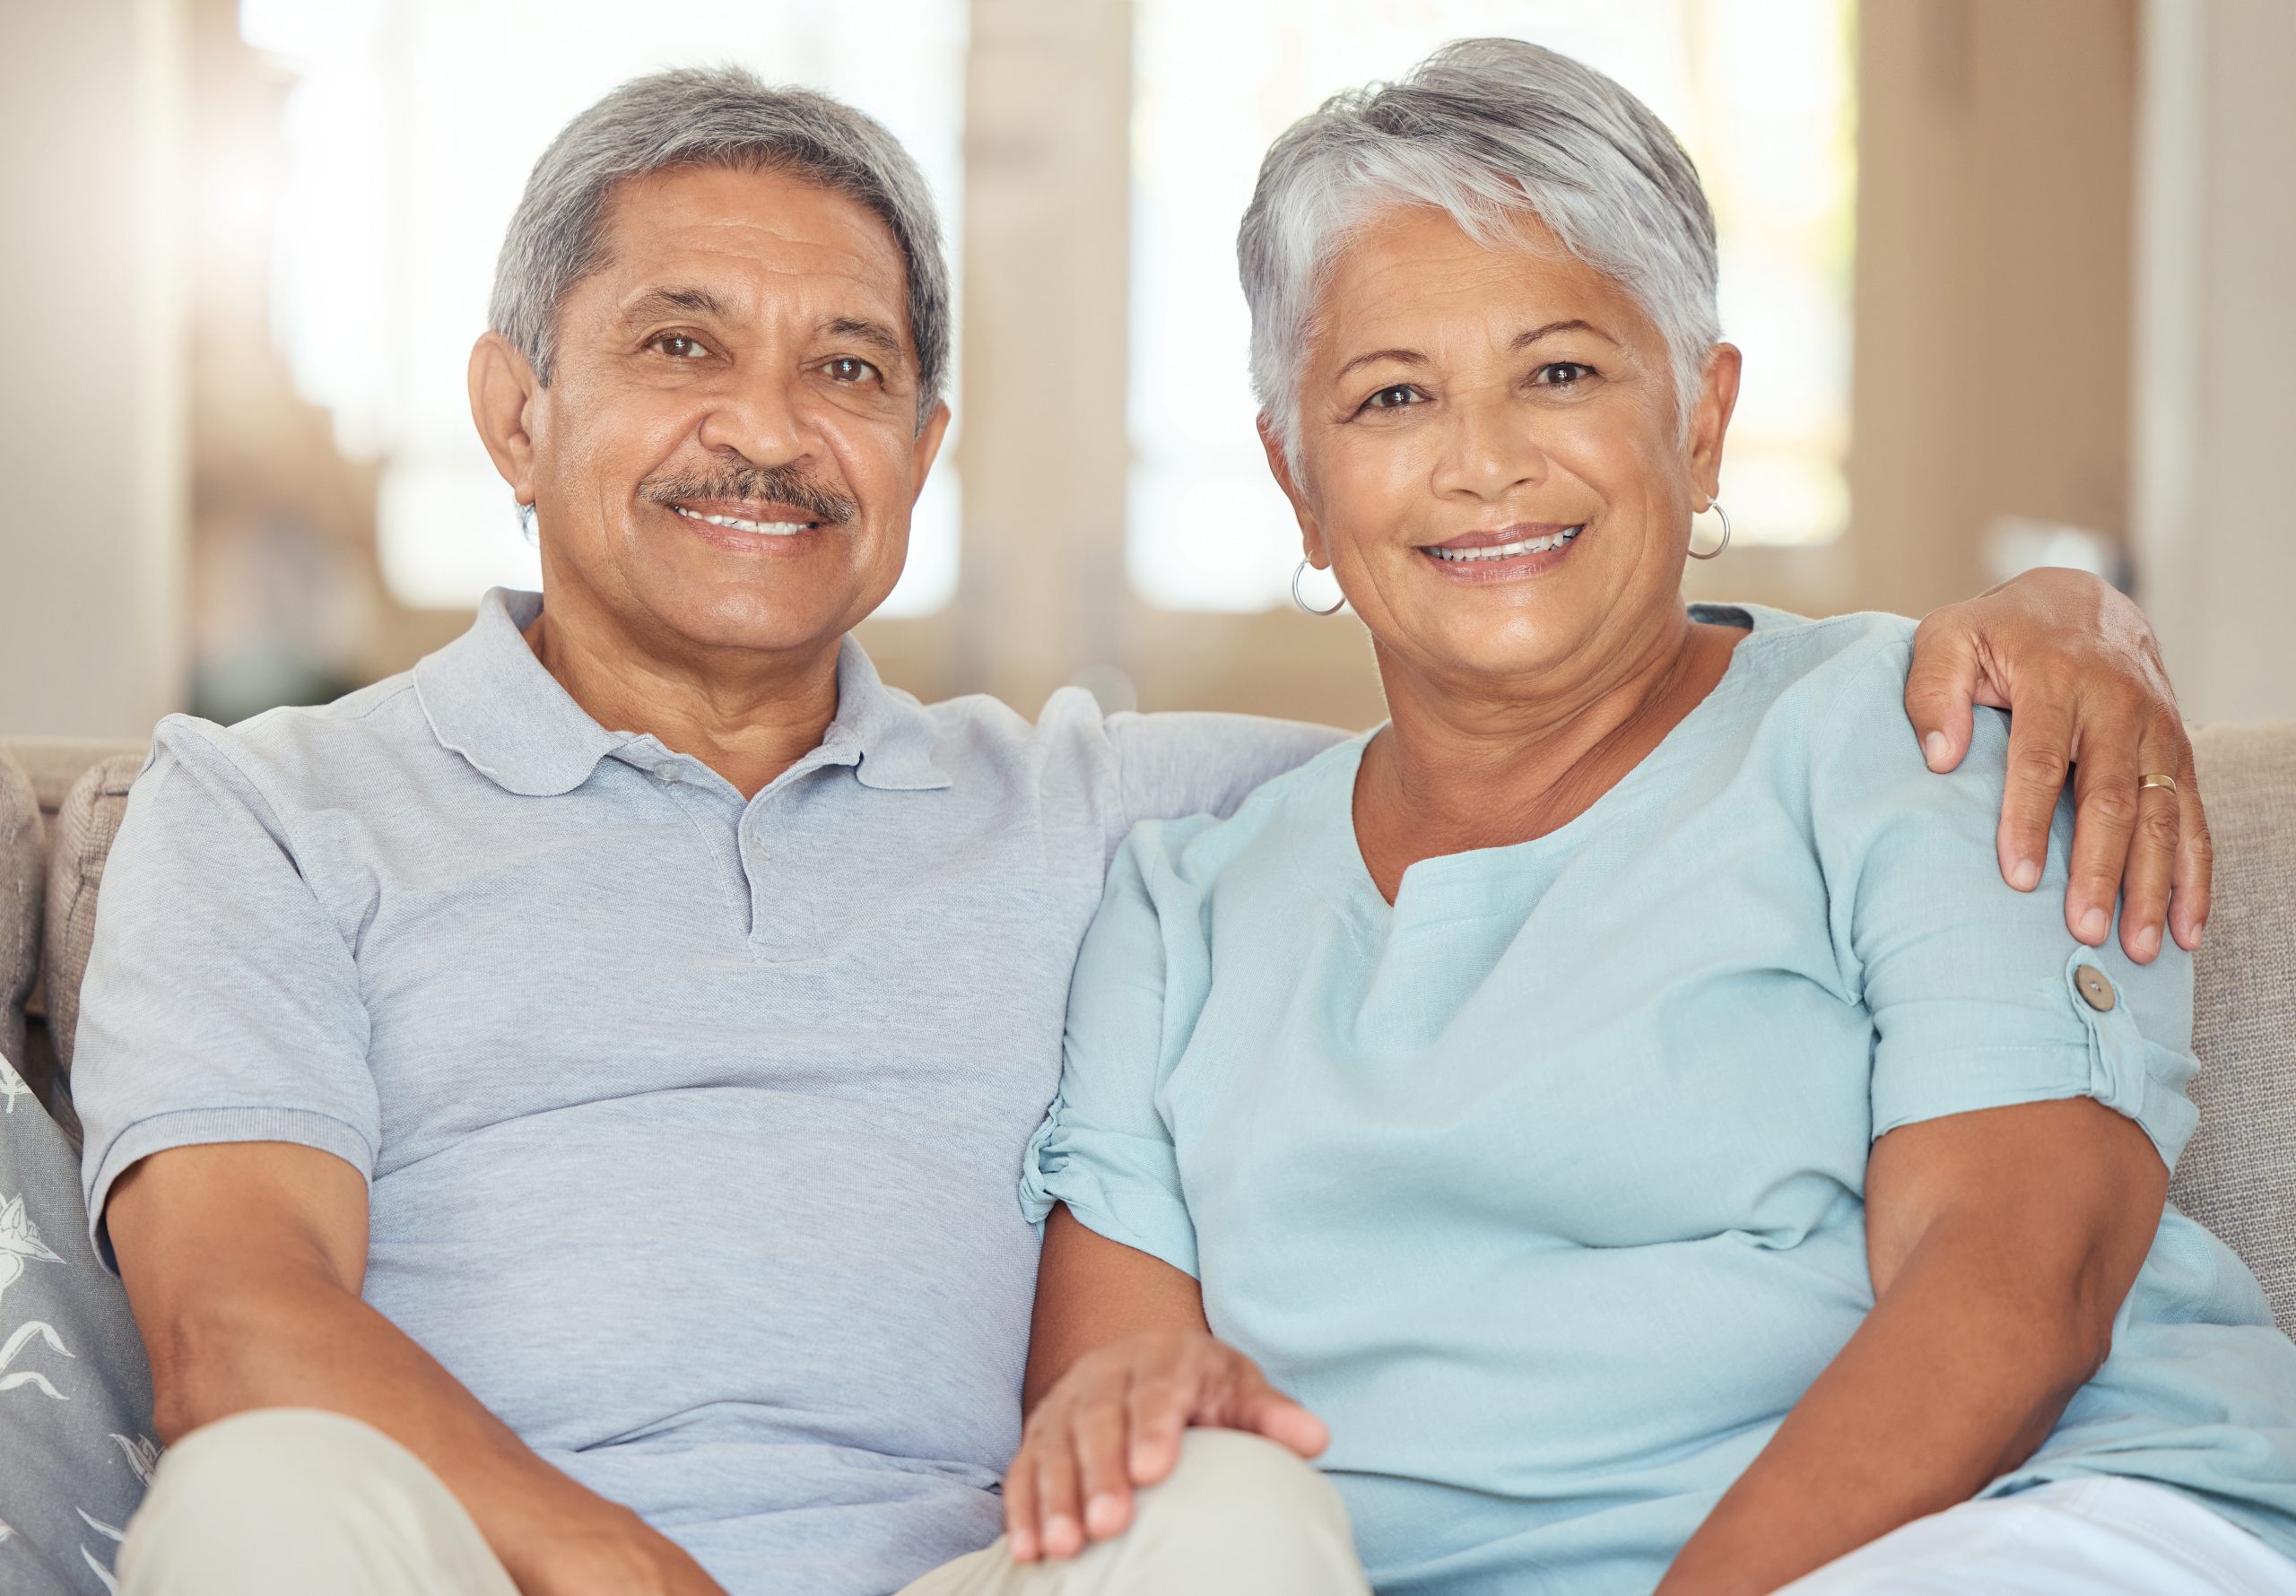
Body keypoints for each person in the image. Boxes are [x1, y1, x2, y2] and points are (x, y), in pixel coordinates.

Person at [67, 61, 2207, 1596]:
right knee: (260, 1503)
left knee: (1226, 1514)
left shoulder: (1100, 812)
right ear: (515, 411)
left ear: (924, 445)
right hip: (484, 1565)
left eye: (849, 363)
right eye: (677, 344)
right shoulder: (260, 807)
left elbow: (1558, 729)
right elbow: (239, 1323)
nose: (767, 426)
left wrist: (2057, 623)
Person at [1009, 39, 2296, 1596]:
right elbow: (1124, 1444)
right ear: (1299, 480)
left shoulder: (1931, 726)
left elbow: (2020, 1287)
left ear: (1699, 421)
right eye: (1392, 396)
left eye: (1562, 371)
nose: (1482, 463)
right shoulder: (1180, 910)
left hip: (2021, 1530)